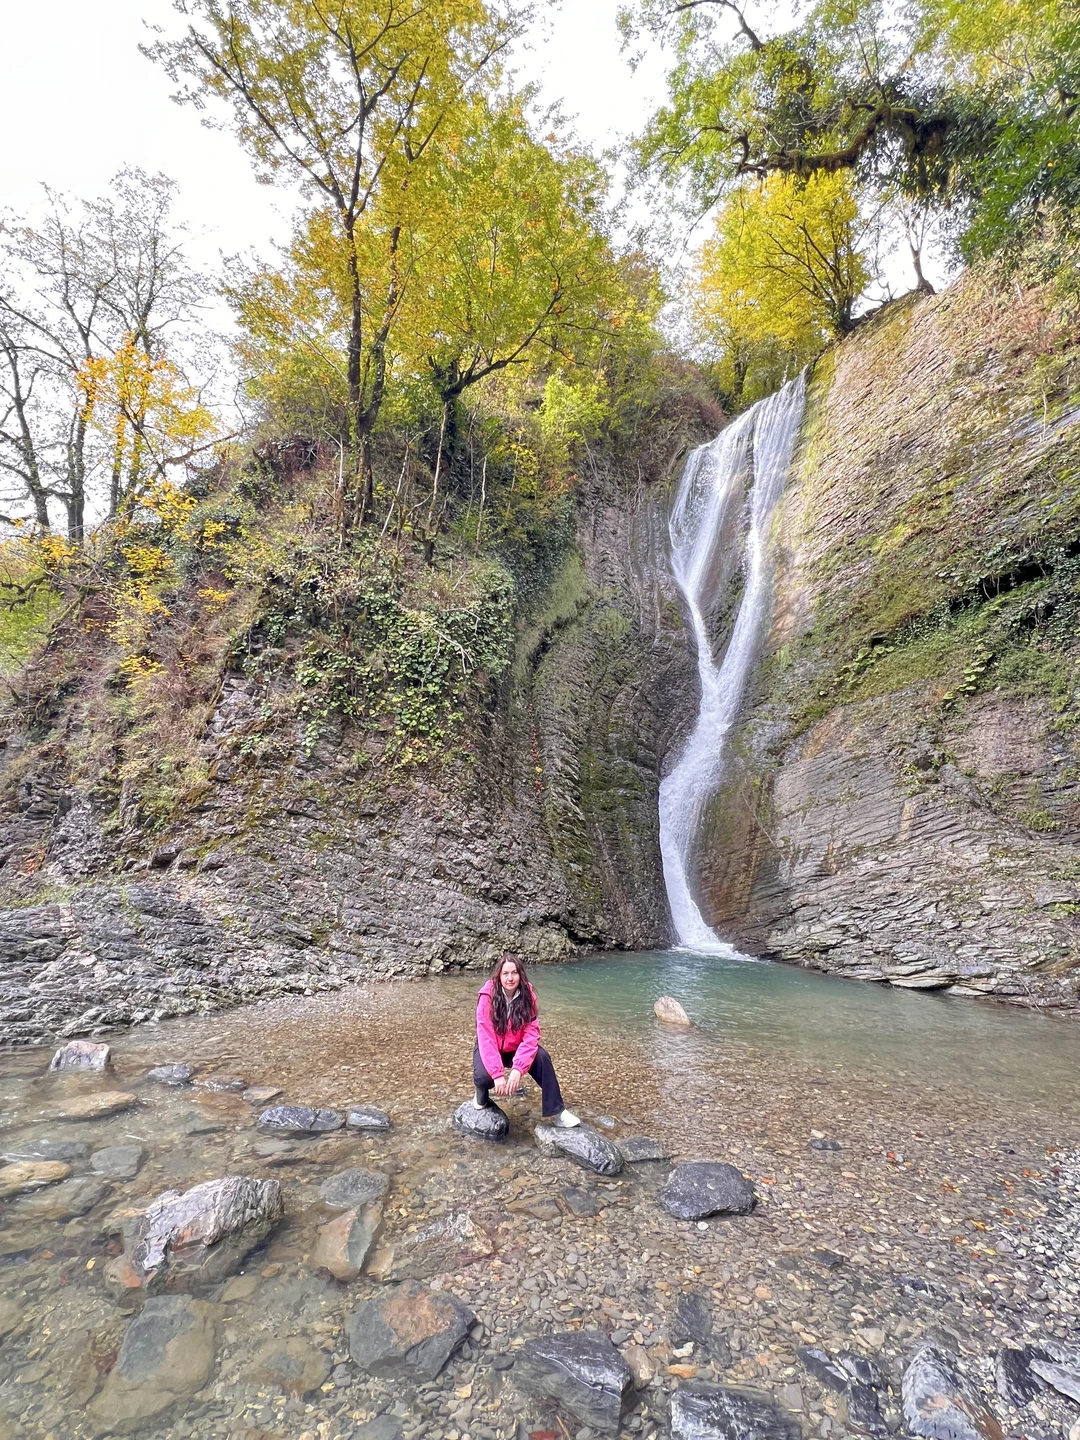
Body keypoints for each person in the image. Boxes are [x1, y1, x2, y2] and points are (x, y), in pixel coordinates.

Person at [472, 953, 580, 1127]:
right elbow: (486, 1037)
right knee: (484, 1078)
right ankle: (481, 1095)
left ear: (520, 974)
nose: (510, 978)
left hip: (515, 1047)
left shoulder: (527, 994)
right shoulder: (487, 996)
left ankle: (558, 1112)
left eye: (514, 973)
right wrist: (498, 1074)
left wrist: (518, 1069)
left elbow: (531, 1034)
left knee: (543, 1058)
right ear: (498, 976)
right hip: (491, 1046)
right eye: (505, 973)